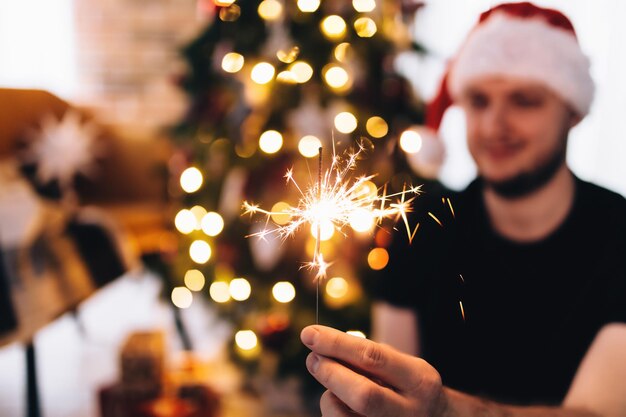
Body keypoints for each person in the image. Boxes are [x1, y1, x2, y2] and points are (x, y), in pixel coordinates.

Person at [301, 2, 626, 416]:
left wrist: (442, 410)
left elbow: (598, 413)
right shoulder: (423, 226)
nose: (493, 125)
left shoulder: (618, 238)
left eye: (524, 100)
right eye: (477, 101)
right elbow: (389, 386)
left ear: (574, 110)